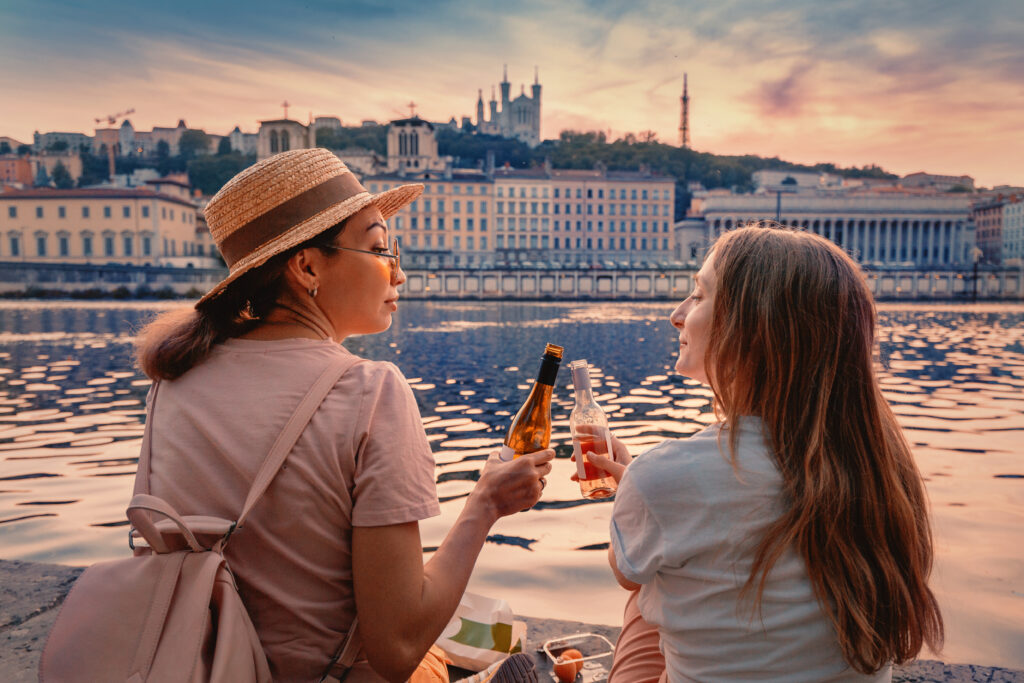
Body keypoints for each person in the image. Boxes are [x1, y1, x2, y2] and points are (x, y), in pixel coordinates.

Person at [134, 148, 553, 683]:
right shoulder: (369, 390)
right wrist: (485, 504)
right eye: (380, 249)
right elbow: (395, 648)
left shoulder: (172, 381)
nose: (398, 272)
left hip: (201, 665)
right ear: (307, 266)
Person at [584, 224, 943, 682]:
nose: (678, 314)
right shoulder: (882, 464)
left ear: (751, 328)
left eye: (698, 295)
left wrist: (636, 493)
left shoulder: (663, 476)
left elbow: (626, 572)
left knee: (646, 588)